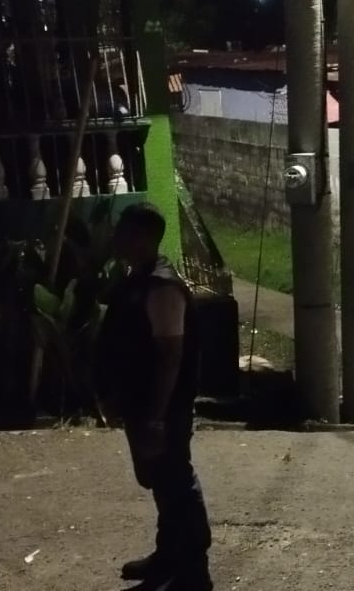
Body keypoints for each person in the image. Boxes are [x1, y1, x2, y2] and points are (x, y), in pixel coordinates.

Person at [99, 202, 212, 591]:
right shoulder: (139, 278)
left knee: (176, 480)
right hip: (143, 402)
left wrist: (156, 417)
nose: (116, 238)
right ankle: (169, 556)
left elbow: (170, 355)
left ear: (144, 237)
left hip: (162, 406)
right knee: (162, 482)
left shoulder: (162, 287)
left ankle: (193, 570)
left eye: (124, 231)